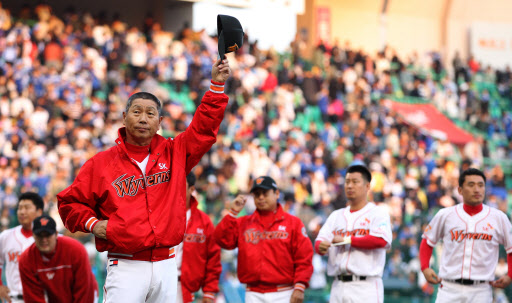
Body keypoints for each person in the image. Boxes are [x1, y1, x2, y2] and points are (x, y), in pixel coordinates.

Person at [57, 58, 231, 303]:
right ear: (124, 116)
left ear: (160, 122)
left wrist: (216, 87)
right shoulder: (101, 163)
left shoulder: (176, 153)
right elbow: (68, 203)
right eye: (136, 112)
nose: (142, 118)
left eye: (150, 114)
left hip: (168, 264)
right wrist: (93, 224)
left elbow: (203, 130)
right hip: (126, 264)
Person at [214, 176, 314, 303]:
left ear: (276, 194)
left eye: (265, 193)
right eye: (257, 194)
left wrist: (300, 286)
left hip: (284, 292)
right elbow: (221, 239)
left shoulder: (293, 223)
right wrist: (232, 213)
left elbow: (304, 257)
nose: (260, 197)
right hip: (253, 292)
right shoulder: (243, 222)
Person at [420, 168, 512, 302]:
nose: (477, 189)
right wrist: (424, 267)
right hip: (449, 288)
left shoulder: (499, 218)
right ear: (460, 190)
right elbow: (427, 242)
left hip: (481, 290)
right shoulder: (445, 215)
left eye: (481, 185)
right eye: (471, 185)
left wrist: (510, 274)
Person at [314, 164, 392, 303]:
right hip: (338, 285)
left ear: (367, 186)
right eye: (347, 182)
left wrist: (347, 240)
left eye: (355, 182)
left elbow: (381, 240)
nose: (350, 186)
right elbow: (319, 242)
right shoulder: (335, 216)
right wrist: (321, 246)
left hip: (365, 286)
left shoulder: (377, 213)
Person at [18, 215, 98, 303]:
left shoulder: (76, 250)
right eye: (39, 236)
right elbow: (33, 298)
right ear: (33, 235)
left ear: (56, 234)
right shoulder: (26, 259)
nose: (44, 240)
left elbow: (84, 290)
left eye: (48, 235)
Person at [176, 172, 221, 303]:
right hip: (158, 284)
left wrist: (209, 291)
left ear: (192, 189)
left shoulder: (204, 221)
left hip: (185, 288)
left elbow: (213, 259)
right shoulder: (159, 214)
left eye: (180, 186)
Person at [0, 192, 44, 303]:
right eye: (20, 208)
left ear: (39, 212)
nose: (22, 212)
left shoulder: (49, 238)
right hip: (14, 299)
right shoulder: (5, 236)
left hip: (42, 298)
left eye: (27, 208)